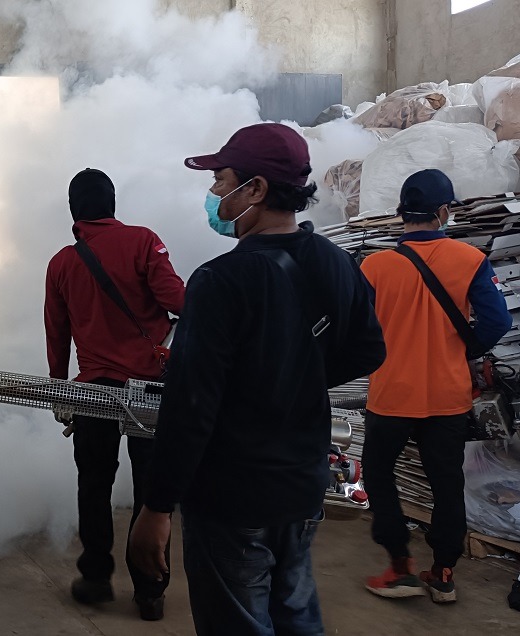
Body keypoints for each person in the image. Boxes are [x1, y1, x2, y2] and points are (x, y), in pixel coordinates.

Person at [128, 123, 386, 635]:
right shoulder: (340, 264)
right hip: (302, 486)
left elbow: (192, 406)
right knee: (294, 614)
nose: (214, 193)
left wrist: (156, 508)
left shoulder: (220, 281)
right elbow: (369, 350)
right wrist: (294, 375)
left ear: (257, 189)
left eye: (222, 180)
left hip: (233, 497)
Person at [360, 168, 511, 603]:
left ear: (400, 213)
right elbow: (498, 322)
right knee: (446, 484)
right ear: (444, 211)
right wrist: (461, 351)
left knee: (379, 476)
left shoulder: (375, 265)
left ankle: (399, 569)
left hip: (391, 394)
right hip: (447, 397)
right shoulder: (470, 260)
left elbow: (360, 331)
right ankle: (443, 574)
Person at [44, 168, 186, 621]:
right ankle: (150, 590)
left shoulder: (62, 263)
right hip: (149, 389)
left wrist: (60, 387)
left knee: (94, 484)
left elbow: (57, 333)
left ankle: (95, 577)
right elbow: (178, 300)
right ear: (113, 204)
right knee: (152, 492)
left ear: (73, 211)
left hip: (93, 393)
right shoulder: (144, 241)